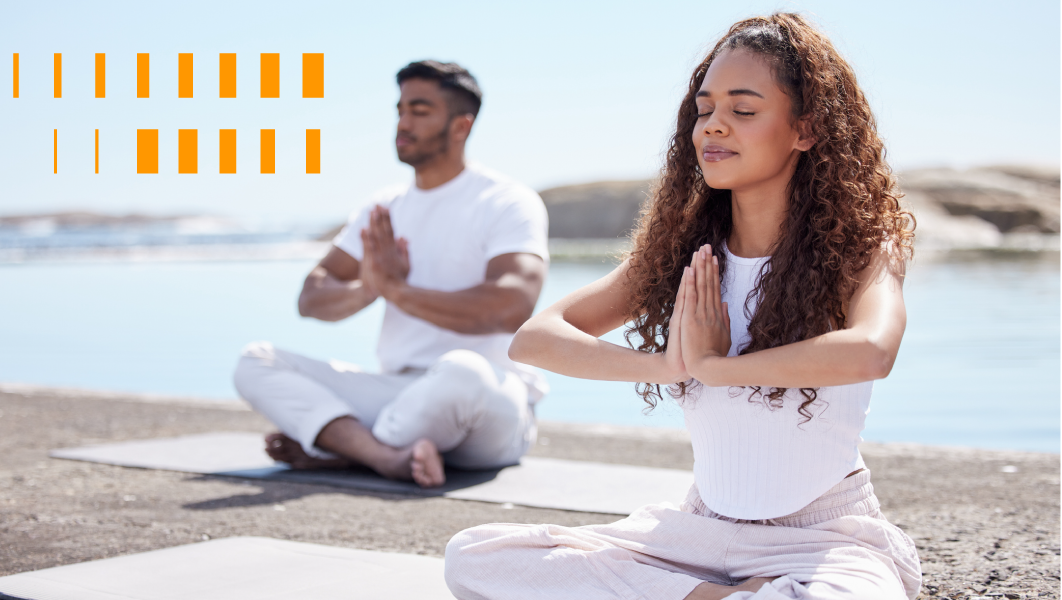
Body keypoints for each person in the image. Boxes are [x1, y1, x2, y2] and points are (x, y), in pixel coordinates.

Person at [445, 13, 920, 600]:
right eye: (703, 110)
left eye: (743, 111)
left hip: (823, 536)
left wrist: (718, 368)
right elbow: (535, 337)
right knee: (476, 557)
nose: (713, 127)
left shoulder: (862, 247)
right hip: (698, 533)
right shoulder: (683, 252)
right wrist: (669, 365)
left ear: (807, 128)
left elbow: (873, 351)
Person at [233, 60, 549, 489]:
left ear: (461, 126)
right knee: (257, 361)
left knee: (462, 370)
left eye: (419, 111)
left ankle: (344, 451)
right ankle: (385, 456)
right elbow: (311, 297)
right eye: (400, 109)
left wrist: (397, 290)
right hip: (398, 393)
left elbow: (511, 306)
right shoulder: (384, 207)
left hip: (489, 403)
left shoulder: (508, 201)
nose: (403, 122)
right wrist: (369, 288)